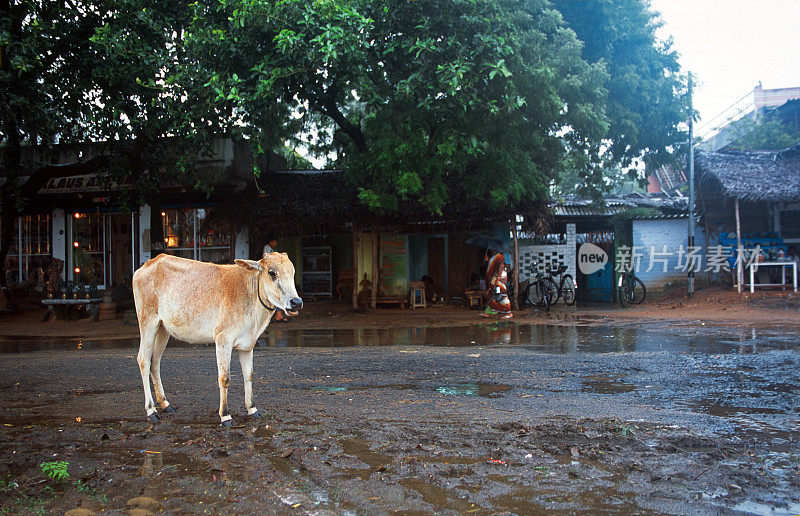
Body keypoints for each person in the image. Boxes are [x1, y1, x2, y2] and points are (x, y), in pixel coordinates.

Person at [263, 235, 289, 322]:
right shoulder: (266, 249)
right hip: (269, 275)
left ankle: (279, 314)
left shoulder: (270, 249)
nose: (276, 243)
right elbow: (267, 260)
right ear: (271, 241)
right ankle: (278, 315)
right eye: (275, 241)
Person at [481, 249, 512, 319]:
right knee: (490, 294)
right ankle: (488, 312)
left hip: (499, 278)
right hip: (493, 278)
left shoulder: (499, 256)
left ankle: (509, 313)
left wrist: (497, 277)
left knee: (502, 295)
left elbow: (502, 267)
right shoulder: (492, 257)